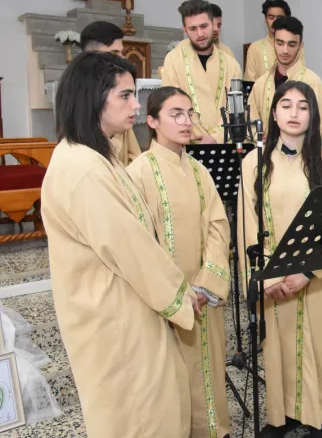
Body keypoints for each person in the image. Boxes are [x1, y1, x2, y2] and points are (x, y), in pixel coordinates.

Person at [40, 51, 199, 437]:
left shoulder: (96, 156)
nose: (136, 105)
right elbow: (129, 248)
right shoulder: (82, 169)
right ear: (93, 98)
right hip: (115, 320)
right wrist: (179, 296)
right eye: (125, 96)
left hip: (126, 306)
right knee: (139, 419)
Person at [239, 81, 322, 437]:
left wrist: (308, 273)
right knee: (277, 349)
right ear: (273, 113)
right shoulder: (254, 161)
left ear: (313, 115)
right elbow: (247, 223)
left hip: (314, 276)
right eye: (286, 105)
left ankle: (317, 416)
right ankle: (280, 417)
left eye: (303, 106)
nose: (294, 113)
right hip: (274, 276)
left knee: (317, 347)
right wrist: (266, 278)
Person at [126, 87, 232, 437]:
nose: (187, 122)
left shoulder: (200, 171)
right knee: (172, 380)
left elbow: (218, 226)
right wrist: (178, 294)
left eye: (190, 114)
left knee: (209, 372)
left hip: (203, 294)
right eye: (176, 114)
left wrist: (205, 284)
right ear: (152, 121)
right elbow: (139, 243)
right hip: (165, 302)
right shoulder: (138, 173)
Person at [162, 0, 243, 144]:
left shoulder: (231, 65)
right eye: (193, 29)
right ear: (185, 29)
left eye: (204, 26)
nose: (200, 34)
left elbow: (235, 108)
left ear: (214, 24)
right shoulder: (173, 60)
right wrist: (194, 134)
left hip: (223, 142)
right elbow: (171, 106)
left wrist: (216, 137)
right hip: (186, 143)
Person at [247, 16, 322, 138]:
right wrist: (259, 136)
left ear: (300, 46)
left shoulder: (312, 81)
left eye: (291, 45)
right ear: (273, 43)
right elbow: (250, 121)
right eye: (280, 43)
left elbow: (320, 125)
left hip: (301, 149)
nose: (285, 50)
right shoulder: (261, 83)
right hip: (266, 149)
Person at [80, 20, 141, 166]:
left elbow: (133, 153)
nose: (121, 58)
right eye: (114, 53)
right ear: (91, 54)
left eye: (121, 53)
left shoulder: (119, 88)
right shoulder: (80, 94)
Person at [243, 0, 305, 81]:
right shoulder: (254, 48)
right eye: (271, 17)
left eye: (279, 17)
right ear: (265, 19)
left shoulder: (295, 47)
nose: (275, 21)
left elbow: (301, 76)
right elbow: (249, 82)